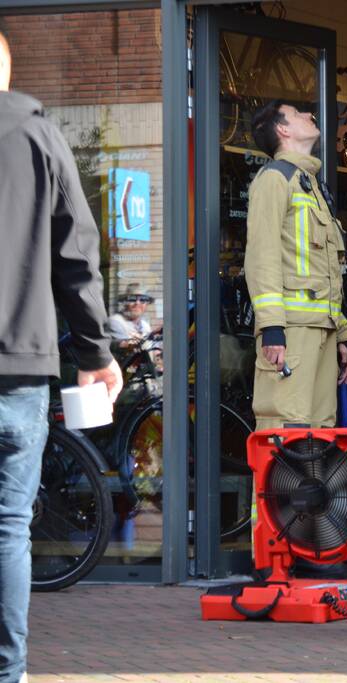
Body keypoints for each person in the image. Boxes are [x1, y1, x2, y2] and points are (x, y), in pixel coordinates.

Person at [0, 30, 123, 683]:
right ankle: (8, 670)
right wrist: (94, 351)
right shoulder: (39, 137)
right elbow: (77, 255)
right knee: (7, 527)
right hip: (18, 366)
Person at [244, 99, 347, 433]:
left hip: (321, 329)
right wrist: (272, 328)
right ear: (283, 129)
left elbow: (328, 269)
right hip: (291, 333)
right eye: (297, 114)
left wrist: (342, 331)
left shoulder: (311, 186)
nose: (310, 116)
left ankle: (311, 489)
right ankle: (283, 490)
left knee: (320, 431)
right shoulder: (274, 180)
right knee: (284, 429)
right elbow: (261, 257)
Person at [107, 284, 158, 349]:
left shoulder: (145, 325)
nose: (137, 303)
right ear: (125, 302)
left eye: (143, 300)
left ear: (147, 304)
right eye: (132, 299)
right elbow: (124, 349)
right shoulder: (115, 321)